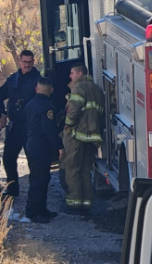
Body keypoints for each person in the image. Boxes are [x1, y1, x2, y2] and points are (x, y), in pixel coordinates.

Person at [62, 63, 104, 213]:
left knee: (72, 169)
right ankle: (87, 203)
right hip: (91, 137)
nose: (70, 76)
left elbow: (74, 110)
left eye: (72, 73)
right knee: (86, 170)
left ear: (80, 74)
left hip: (77, 135)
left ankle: (74, 204)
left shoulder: (79, 87)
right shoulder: (96, 89)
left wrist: (68, 125)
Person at [0, 50, 42, 197]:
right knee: (8, 158)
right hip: (15, 126)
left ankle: (35, 193)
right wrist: (2, 112)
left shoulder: (39, 80)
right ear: (19, 61)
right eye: (24, 62)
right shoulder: (13, 79)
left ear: (33, 62)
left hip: (31, 127)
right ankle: (12, 189)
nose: (27, 65)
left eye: (30, 62)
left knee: (34, 161)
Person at [24, 78, 63, 223]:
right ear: (51, 90)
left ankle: (41, 209)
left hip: (31, 144)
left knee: (41, 178)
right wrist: (59, 146)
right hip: (40, 147)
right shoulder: (47, 107)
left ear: (36, 89)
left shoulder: (30, 104)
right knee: (39, 179)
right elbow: (49, 130)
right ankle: (33, 212)